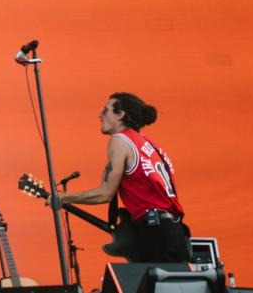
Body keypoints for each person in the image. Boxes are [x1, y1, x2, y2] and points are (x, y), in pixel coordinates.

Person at [56, 93, 188, 263]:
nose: (100, 115)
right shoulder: (147, 143)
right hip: (172, 230)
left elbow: (105, 193)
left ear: (120, 114)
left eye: (105, 110)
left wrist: (63, 197)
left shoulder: (120, 140)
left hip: (155, 231)